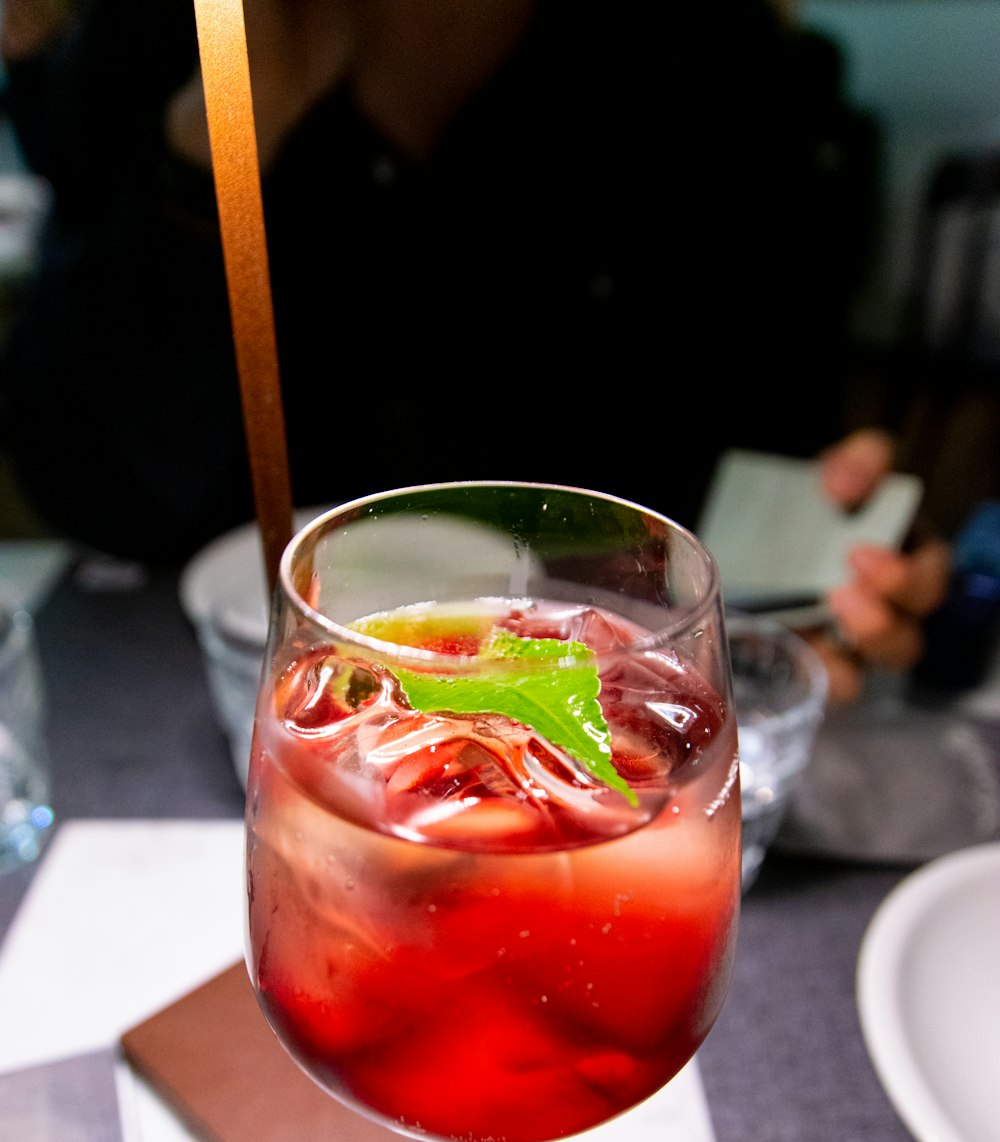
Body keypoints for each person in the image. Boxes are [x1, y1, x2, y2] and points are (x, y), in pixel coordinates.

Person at [0, 0, 949, 696]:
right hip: (199, 710)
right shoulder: (144, 43)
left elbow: (772, 457)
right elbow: (88, 486)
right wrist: (218, 131)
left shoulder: (713, 65)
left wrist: (835, 566)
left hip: (584, 710)